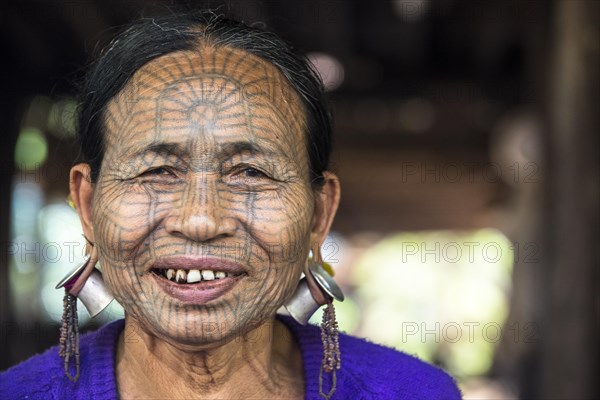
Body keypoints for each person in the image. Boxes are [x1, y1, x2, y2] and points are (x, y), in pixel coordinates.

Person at [0, 10, 461, 399]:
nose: (201, 219)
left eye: (251, 173)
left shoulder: (413, 391)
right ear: (87, 205)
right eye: (156, 171)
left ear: (319, 214)